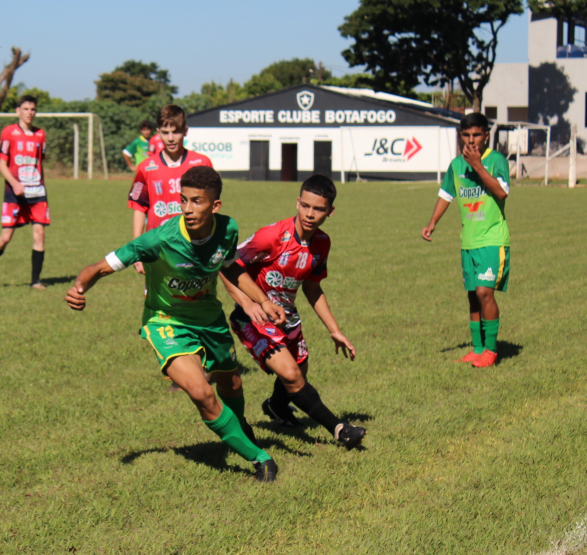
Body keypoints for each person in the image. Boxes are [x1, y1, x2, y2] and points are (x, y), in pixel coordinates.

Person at [66, 166, 284, 482]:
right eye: (183, 200)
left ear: (215, 206)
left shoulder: (228, 229)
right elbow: (101, 267)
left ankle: (240, 432)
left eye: (196, 201)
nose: (187, 209)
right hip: (166, 321)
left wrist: (262, 301)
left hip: (210, 320)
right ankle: (259, 458)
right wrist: (79, 288)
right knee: (200, 391)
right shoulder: (159, 239)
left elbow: (231, 268)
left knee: (231, 383)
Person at [222, 175, 367, 448]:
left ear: (330, 211)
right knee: (291, 375)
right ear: (297, 202)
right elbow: (227, 265)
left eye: (319, 209)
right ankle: (338, 429)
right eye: (306, 206)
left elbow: (313, 289)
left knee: (299, 372)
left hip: (287, 317)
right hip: (254, 317)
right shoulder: (271, 237)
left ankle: (276, 407)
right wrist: (249, 304)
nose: (310, 214)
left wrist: (335, 331)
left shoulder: (322, 243)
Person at [128, 105, 213, 391]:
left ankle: (201, 363)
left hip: (193, 249)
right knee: (161, 310)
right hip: (157, 252)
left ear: (185, 131)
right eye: (165, 131)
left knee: (194, 304)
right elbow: (139, 206)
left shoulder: (201, 163)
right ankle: (179, 366)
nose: (170, 137)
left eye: (175, 131)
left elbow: (211, 206)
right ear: (158, 133)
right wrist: (137, 249)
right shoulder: (147, 167)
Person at [421, 112, 511, 368]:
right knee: (473, 296)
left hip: (492, 240)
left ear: (486, 136)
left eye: (477, 135)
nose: (472, 141)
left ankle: (491, 351)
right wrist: (432, 222)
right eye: (467, 135)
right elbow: (446, 194)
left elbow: (502, 193)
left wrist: (478, 166)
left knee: (485, 293)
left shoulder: (496, 161)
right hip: (468, 242)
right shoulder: (456, 165)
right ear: (461, 136)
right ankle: (477, 348)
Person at [0, 95, 49, 290]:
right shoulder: (9, 132)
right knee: (6, 237)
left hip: (37, 192)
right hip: (14, 193)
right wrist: (15, 182)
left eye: (33, 109)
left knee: (39, 233)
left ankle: (36, 281)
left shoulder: (41, 134)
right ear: (18, 111)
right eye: (25, 109)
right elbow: (1, 163)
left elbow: (40, 162)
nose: (30, 113)